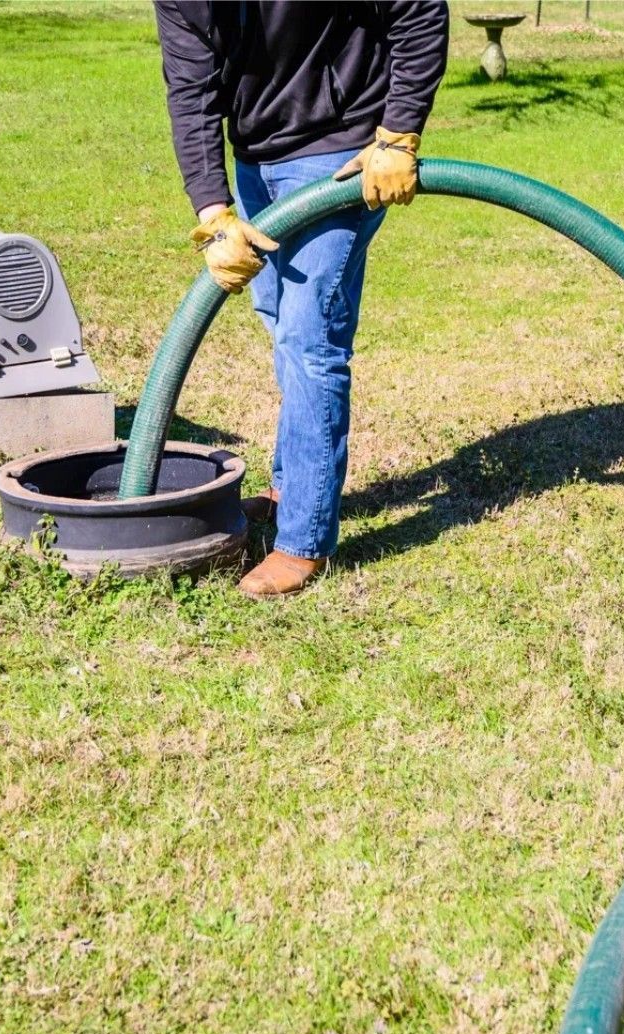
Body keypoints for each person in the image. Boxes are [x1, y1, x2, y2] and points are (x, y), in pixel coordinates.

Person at [154, 1, 450, 597]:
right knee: (279, 317)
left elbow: (418, 11)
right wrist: (213, 212)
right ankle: (294, 484)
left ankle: (304, 541)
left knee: (309, 335)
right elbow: (190, 91)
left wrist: (399, 133)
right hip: (257, 160)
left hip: (341, 148)